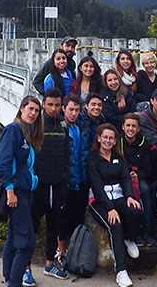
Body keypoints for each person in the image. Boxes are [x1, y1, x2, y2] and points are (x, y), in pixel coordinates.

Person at [87, 123, 143, 287]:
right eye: (105, 137)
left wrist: (129, 197)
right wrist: (109, 208)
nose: (108, 140)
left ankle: (130, 238)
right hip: (99, 201)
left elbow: (126, 178)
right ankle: (121, 271)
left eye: (111, 138)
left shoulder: (119, 157)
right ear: (99, 138)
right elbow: (96, 186)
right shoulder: (93, 159)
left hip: (118, 196)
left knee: (135, 211)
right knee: (115, 225)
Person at [23, 88, 70, 286]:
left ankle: (50, 263)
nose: (53, 108)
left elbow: (67, 153)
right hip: (38, 186)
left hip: (58, 185)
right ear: (44, 105)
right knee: (31, 227)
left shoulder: (63, 125)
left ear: (61, 106)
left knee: (54, 226)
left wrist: (65, 180)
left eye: (57, 105)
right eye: (49, 105)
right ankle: (25, 269)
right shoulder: (34, 125)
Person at [0, 96, 44, 287]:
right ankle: (14, 282)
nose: (33, 113)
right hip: (16, 192)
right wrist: (10, 190)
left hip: (27, 191)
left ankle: (9, 278)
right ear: (22, 109)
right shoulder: (13, 131)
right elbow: (3, 164)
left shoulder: (29, 133)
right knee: (26, 243)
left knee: (13, 237)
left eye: (36, 111)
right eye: (30, 109)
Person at [119, 113, 157, 247]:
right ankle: (131, 233)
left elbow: (147, 167)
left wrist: (137, 175)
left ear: (138, 128)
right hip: (121, 177)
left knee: (145, 190)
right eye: (128, 125)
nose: (130, 129)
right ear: (123, 127)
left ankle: (148, 231)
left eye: (133, 126)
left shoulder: (143, 143)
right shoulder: (118, 142)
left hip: (138, 176)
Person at [60, 94, 92, 254]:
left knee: (77, 217)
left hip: (81, 179)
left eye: (77, 110)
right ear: (64, 109)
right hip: (66, 181)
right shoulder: (60, 127)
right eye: (71, 109)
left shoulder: (82, 127)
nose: (74, 113)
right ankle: (61, 251)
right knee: (63, 219)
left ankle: (73, 251)